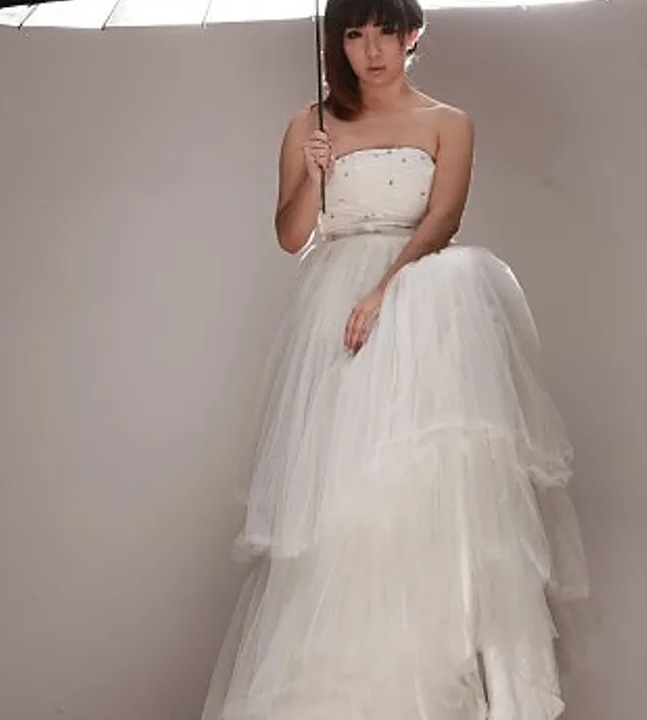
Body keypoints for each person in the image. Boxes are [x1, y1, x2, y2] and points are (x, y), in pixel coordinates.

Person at [200, 0, 593, 718]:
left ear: (414, 34)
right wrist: (312, 174)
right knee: (342, 500)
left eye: (386, 31)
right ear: (336, 42)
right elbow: (291, 236)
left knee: (431, 491)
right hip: (333, 309)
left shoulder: (449, 121)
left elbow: (445, 218)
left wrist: (385, 289)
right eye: (354, 34)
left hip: (426, 311)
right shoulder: (309, 125)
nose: (371, 49)